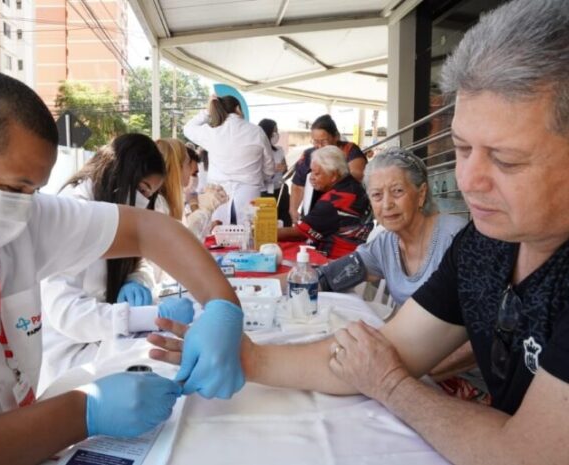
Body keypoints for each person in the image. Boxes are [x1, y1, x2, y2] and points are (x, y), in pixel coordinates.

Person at [149, 1, 569, 463]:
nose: (468, 180)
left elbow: (527, 453)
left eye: (506, 160)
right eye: (462, 149)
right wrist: (246, 357)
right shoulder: (485, 245)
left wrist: (390, 385)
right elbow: (388, 349)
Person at [0, 69, 244, 464]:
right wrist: (79, 414)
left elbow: (150, 230)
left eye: (34, 191)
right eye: (13, 189)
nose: (25, 209)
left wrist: (222, 308)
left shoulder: (17, 215)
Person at [39, 135, 197, 386]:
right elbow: (67, 314)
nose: (144, 201)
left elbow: (139, 259)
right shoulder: (73, 213)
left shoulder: (110, 208)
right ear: (120, 175)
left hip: (103, 340)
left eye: (150, 194)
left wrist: (137, 280)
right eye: (143, 190)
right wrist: (147, 316)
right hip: (68, 356)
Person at [317, 147, 466, 306]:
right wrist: (303, 282)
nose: (387, 204)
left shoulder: (455, 237)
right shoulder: (384, 245)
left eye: (397, 191)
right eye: (377, 195)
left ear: (421, 194)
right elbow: (328, 277)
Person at [183, 95, 275, 226]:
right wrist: (261, 178)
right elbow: (269, 167)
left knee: (218, 233)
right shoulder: (257, 132)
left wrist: (207, 112)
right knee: (250, 233)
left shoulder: (213, 133)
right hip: (249, 193)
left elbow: (188, 128)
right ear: (238, 109)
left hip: (218, 195)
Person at [277, 146, 372, 259]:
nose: (311, 178)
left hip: (338, 259)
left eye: (317, 174)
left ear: (333, 176)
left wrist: (264, 233)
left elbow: (299, 233)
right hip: (358, 253)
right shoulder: (354, 186)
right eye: (311, 172)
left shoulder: (334, 200)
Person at [289, 114, 367, 225]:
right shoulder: (308, 154)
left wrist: (325, 179)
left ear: (336, 137)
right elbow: (298, 184)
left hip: (342, 211)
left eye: (324, 141)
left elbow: (357, 176)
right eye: (316, 141)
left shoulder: (349, 150)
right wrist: (293, 209)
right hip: (315, 210)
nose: (320, 146)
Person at [258, 118, 291, 227]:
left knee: (284, 220)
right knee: (267, 223)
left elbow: (286, 171)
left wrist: (284, 168)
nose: (276, 134)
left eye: (277, 131)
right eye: (274, 131)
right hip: (264, 191)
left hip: (280, 189)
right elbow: (255, 172)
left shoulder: (279, 150)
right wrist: (271, 169)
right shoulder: (257, 150)